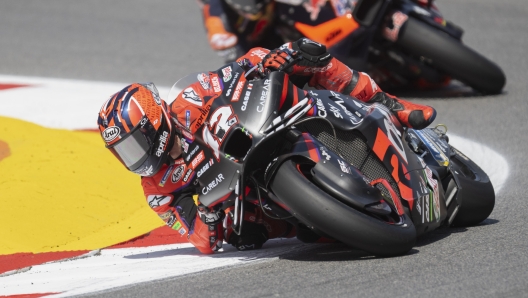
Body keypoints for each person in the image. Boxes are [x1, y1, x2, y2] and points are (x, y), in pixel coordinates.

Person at [97, 37, 436, 254]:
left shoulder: (189, 100)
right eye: (124, 152)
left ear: (153, 121)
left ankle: (391, 105)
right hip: (248, 204)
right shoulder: (156, 189)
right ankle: (341, 214)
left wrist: (272, 59)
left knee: (307, 55)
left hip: (255, 130)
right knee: (254, 235)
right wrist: (207, 211)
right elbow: (200, 240)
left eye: (136, 143)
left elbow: (237, 69)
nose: (136, 156)